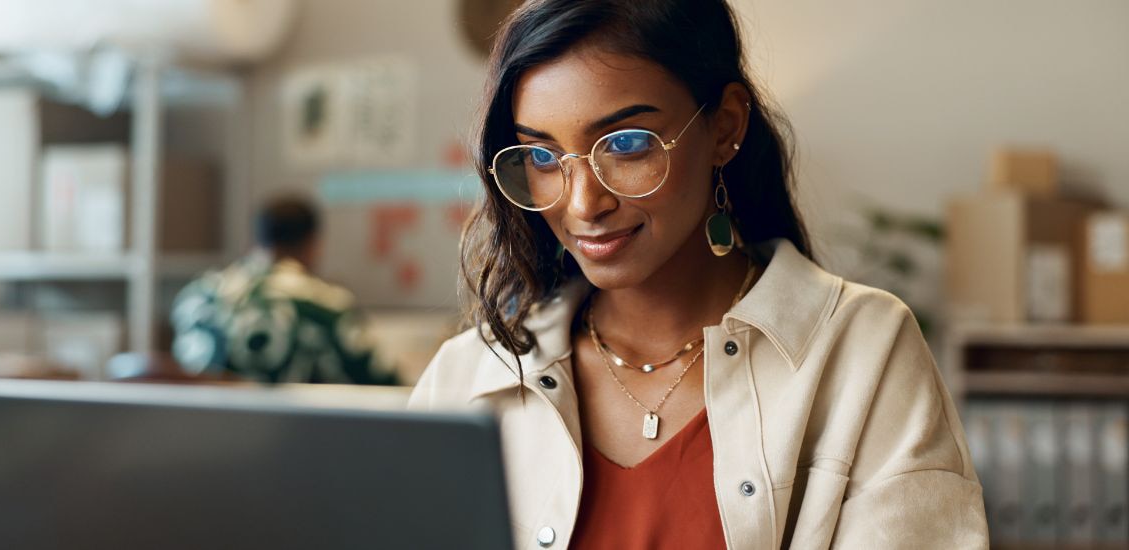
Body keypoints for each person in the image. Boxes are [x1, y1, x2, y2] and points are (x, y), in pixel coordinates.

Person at [409, 0, 988, 548]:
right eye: (541, 157)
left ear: (725, 127)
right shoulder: (470, 376)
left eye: (627, 144)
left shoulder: (863, 349)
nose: (583, 204)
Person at [171, 195, 398, 386]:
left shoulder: (198, 297)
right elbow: (385, 386)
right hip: (296, 435)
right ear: (313, 244)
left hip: (201, 434)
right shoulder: (327, 305)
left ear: (257, 240)